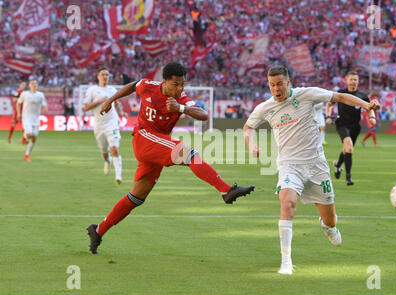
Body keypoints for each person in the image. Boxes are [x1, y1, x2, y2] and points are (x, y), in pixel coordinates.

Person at [87, 62, 254, 254]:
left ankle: (98, 231)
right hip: (144, 137)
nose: (180, 88)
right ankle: (226, 190)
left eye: (182, 84)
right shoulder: (148, 86)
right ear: (164, 81)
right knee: (189, 154)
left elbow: (203, 114)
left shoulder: (182, 99)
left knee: (136, 198)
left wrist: (181, 109)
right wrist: (110, 100)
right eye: (176, 84)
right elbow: (132, 86)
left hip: (155, 146)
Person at [243, 65, 379, 275]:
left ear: (289, 82)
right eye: (272, 85)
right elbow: (248, 127)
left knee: (330, 218)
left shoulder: (306, 94)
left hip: (316, 166)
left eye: (279, 84)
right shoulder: (266, 107)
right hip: (290, 166)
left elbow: (340, 97)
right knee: (287, 204)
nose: (276, 89)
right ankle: (286, 261)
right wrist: (251, 144)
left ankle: (328, 227)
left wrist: (366, 105)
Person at [325, 71, 377, 186]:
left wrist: (372, 117)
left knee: (347, 149)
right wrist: (328, 116)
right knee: (348, 146)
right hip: (342, 124)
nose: (353, 81)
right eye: (351, 79)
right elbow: (329, 104)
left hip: (355, 126)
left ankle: (338, 165)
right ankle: (348, 177)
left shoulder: (362, 96)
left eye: (355, 79)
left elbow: (370, 108)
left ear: (358, 81)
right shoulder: (340, 93)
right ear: (346, 80)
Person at [83, 67, 128, 185]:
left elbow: (117, 104)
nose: (105, 77)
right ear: (98, 76)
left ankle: (118, 176)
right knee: (104, 151)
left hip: (112, 123)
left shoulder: (113, 90)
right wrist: (99, 101)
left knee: (115, 148)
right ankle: (107, 161)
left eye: (107, 75)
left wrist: (122, 113)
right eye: (103, 74)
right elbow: (86, 107)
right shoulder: (92, 90)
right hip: (99, 125)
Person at [16, 79, 48, 162]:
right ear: (29, 85)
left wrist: (45, 109)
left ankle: (27, 155)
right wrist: (19, 114)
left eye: (35, 83)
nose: (34, 84)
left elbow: (44, 105)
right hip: (26, 117)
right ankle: (25, 136)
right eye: (32, 83)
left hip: (36, 118)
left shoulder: (40, 95)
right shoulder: (25, 94)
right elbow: (18, 103)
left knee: (34, 138)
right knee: (29, 134)